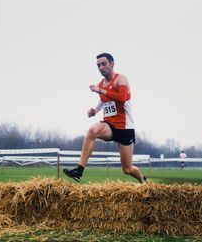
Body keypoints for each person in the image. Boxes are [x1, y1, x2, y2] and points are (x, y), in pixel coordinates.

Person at [63, 53, 147, 184]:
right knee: (92, 131)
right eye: (98, 66)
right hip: (110, 125)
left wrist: (100, 90)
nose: (101, 68)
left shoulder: (121, 79)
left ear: (112, 64)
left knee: (127, 169)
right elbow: (103, 101)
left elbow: (122, 97)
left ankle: (143, 180)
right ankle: (79, 171)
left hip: (125, 128)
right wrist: (94, 111)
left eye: (103, 64)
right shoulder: (101, 84)